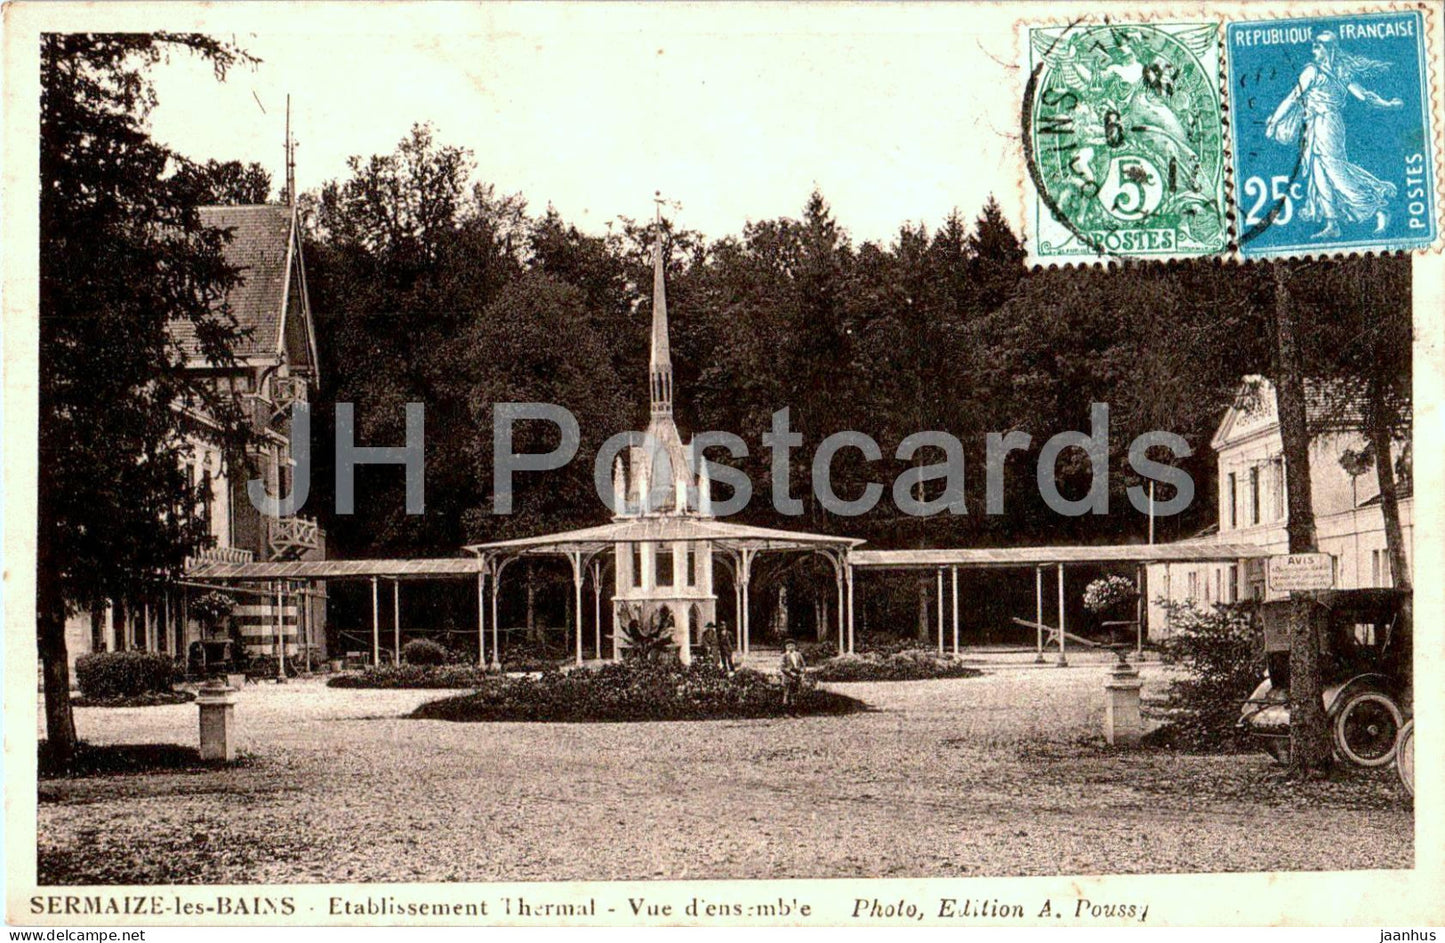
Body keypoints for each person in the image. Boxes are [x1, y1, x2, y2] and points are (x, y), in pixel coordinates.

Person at [1265, 31, 1403, 239]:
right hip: (1314, 124)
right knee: (1318, 171)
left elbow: (1363, 96)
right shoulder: (1326, 70)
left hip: (1328, 124)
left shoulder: (1324, 72)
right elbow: (1295, 96)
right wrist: (1275, 120)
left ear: (1328, 49)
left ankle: (1375, 206)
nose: (1313, 50)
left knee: (1334, 168)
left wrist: (1387, 104)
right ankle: (1332, 223)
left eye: (1317, 46)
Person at [779, 639, 806, 710]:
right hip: (788, 677)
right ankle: (786, 713)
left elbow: (803, 664)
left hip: (797, 676)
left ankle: (794, 712)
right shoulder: (784, 656)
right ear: (785, 647)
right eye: (788, 646)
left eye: (792, 645)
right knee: (787, 694)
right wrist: (790, 673)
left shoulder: (798, 654)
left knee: (795, 694)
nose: (790, 647)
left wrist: (802, 672)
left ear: (795, 646)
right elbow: (782, 667)